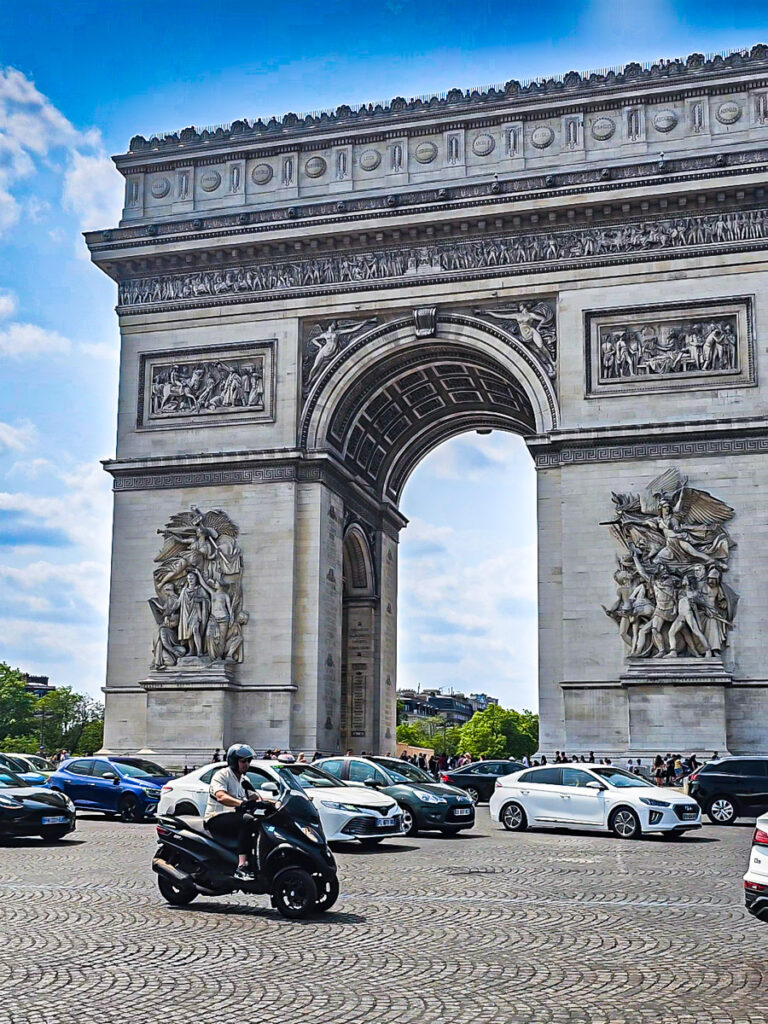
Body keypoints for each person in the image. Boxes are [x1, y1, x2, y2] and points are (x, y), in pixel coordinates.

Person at [204, 743, 273, 882]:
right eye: (243, 761)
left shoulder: (244, 779)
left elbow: (254, 796)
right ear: (233, 761)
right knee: (248, 820)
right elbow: (220, 796)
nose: (246, 764)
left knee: (260, 821)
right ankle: (241, 866)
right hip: (216, 817)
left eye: (248, 761)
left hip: (233, 817)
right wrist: (240, 803)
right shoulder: (222, 775)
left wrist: (274, 803)